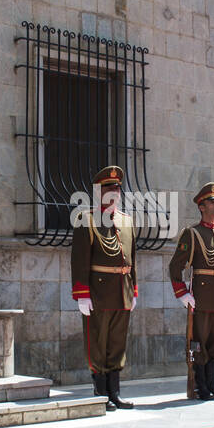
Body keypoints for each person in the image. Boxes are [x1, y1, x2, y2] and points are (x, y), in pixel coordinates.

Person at [72, 165, 138, 410]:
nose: (114, 194)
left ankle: (115, 391)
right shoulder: (86, 219)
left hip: (123, 290)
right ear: (99, 193)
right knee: (98, 340)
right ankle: (100, 391)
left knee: (117, 342)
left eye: (117, 190)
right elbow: (79, 259)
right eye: (109, 189)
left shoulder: (126, 221)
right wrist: (81, 293)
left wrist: (135, 290)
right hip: (98, 292)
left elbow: (132, 258)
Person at [170, 182, 214, 400]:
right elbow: (175, 265)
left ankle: (212, 383)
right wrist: (182, 293)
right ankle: (199, 385)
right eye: (212, 202)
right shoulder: (192, 233)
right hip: (201, 294)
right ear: (202, 207)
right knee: (200, 341)